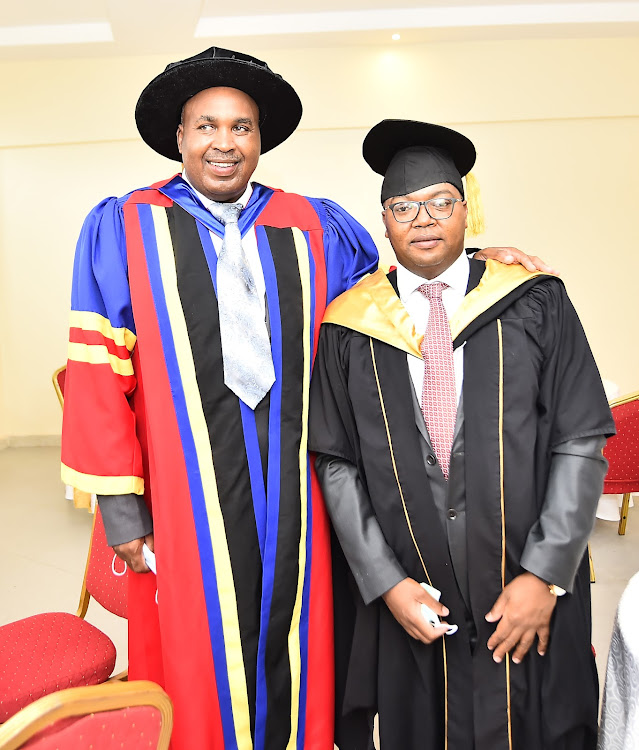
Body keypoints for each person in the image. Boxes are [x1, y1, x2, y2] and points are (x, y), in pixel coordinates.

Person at [61, 47, 548, 750]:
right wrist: (120, 504)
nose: (224, 143)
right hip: (184, 485)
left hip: (299, 478)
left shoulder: (313, 224)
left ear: (260, 139)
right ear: (179, 137)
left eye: (241, 127)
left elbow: (387, 298)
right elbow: (97, 373)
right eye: (206, 126)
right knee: (199, 640)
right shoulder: (123, 227)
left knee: (305, 632)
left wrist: (473, 259)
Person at [308, 119, 615, 750]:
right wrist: (384, 583)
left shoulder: (534, 302)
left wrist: (546, 575)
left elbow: (580, 438)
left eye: (441, 203)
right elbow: (335, 461)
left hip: (523, 588)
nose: (423, 220)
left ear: (466, 211)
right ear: (384, 221)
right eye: (404, 208)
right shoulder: (349, 325)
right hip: (412, 597)